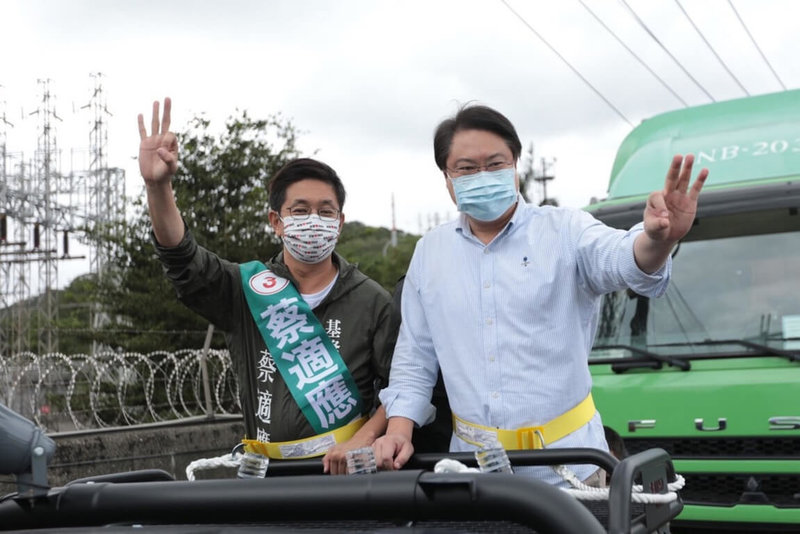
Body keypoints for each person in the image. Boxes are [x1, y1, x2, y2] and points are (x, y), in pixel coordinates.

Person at [373, 103, 708, 486]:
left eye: (495, 164)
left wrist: (657, 239)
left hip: (569, 469)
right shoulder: (429, 253)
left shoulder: (565, 229)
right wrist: (398, 429)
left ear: (515, 165)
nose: (482, 176)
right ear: (447, 178)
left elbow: (624, 260)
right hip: (470, 472)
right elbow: (415, 357)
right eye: (466, 168)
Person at [138, 97, 399, 475]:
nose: (314, 220)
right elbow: (182, 259)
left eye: (326, 211)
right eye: (299, 210)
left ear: (340, 223)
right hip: (264, 477)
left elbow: (403, 387)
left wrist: (365, 438)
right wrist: (157, 187)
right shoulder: (246, 289)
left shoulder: (372, 300)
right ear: (276, 222)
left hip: (345, 475)